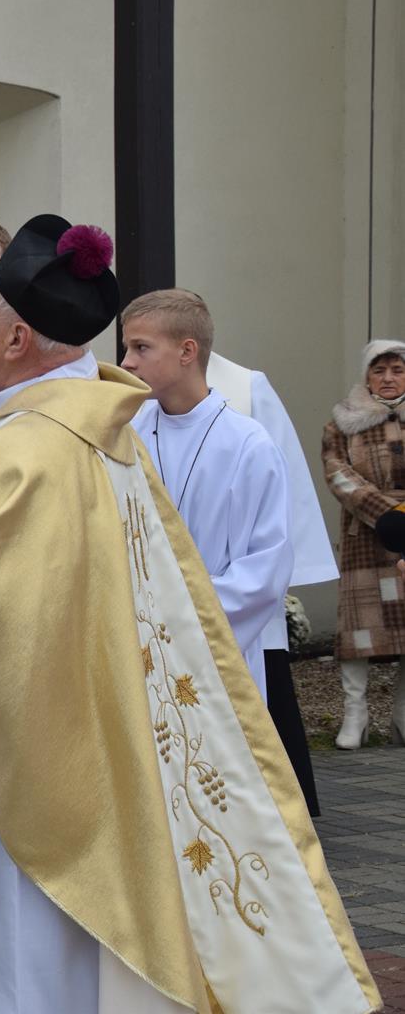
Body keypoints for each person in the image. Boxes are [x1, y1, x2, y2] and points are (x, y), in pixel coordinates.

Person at [0, 216, 378, 1012]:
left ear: (18, 341)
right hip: (92, 734)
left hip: (22, 774)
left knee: (14, 959)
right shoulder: (86, 413)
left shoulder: (27, 455)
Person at [119, 289, 292, 698]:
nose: (126, 361)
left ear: (187, 351)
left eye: (141, 347)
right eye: (127, 347)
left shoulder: (248, 445)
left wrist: (176, 610)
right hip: (135, 644)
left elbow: (265, 571)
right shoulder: (127, 433)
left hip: (213, 647)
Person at [205, 349, 339, 815]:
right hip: (176, 574)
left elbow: (286, 475)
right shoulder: (134, 390)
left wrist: (286, 572)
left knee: (264, 687)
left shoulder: (245, 385)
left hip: (242, 570)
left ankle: (284, 804)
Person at [321, 339, 405, 748]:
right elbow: (338, 474)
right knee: (359, 633)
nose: (388, 378)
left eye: (397, 370)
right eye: (379, 370)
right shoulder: (342, 421)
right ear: (367, 375)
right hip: (365, 538)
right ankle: (356, 716)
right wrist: (387, 514)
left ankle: (403, 718)